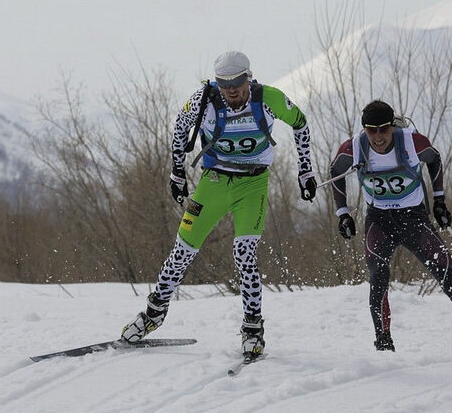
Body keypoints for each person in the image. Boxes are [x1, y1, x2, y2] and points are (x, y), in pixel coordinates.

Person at [120, 51, 317, 360]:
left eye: (237, 82)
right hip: (213, 183)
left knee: (244, 253)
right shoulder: (203, 99)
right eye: (224, 84)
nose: (231, 90)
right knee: (182, 251)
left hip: (252, 185)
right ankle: (153, 315)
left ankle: (253, 329)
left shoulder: (269, 98)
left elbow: (301, 124)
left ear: (249, 78)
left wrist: (306, 170)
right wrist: (177, 171)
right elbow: (180, 126)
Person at [329, 100, 452, 357]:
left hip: (414, 220)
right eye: (372, 130)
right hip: (379, 221)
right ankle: (384, 347)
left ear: (392, 127)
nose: (378, 137)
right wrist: (342, 214)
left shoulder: (412, 142)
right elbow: (335, 172)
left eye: (384, 130)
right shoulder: (354, 147)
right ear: (364, 130)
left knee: (450, 281)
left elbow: (435, 161)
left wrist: (440, 201)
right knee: (378, 276)